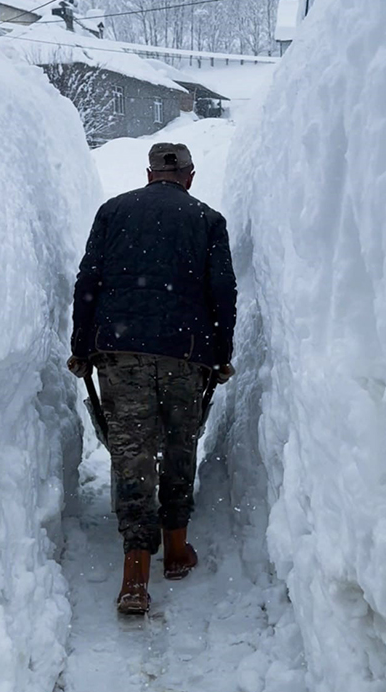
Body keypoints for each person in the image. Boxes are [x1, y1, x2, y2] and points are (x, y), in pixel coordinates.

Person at [66, 142, 237, 615]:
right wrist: (221, 353)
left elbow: (88, 282)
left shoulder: (113, 212)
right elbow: (222, 290)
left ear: (148, 174)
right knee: (181, 443)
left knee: (131, 453)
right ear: (190, 175)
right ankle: (177, 548)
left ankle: (135, 574)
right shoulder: (207, 219)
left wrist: (82, 346)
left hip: (118, 350)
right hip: (186, 352)